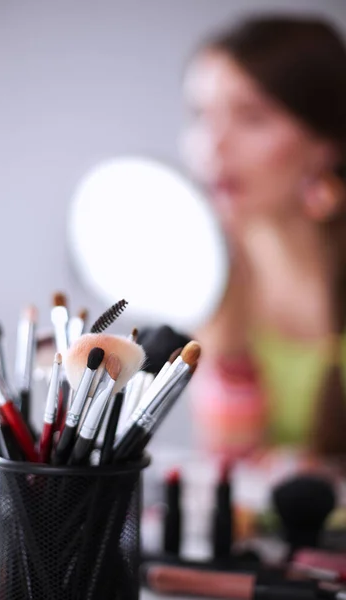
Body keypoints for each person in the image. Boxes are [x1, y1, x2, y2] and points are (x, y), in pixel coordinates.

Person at [181, 15, 346, 460]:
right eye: (200, 116)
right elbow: (230, 462)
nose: (212, 146)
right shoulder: (208, 281)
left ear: (325, 141)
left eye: (251, 118)